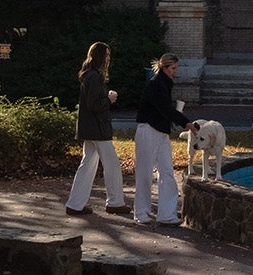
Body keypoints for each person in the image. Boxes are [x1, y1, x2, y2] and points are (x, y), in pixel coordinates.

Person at [66, 42, 130, 217]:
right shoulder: (93, 77)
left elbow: (91, 103)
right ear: (101, 57)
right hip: (98, 128)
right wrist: (109, 99)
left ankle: (75, 204)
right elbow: (95, 105)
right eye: (107, 55)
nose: (109, 59)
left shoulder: (89, 75)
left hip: (91, 128)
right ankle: (115, 202)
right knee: (112, 165)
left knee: (87, 165)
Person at [130, 52, 193, 226]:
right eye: (173, 68)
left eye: (176, 68)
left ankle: (166, 213)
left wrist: (180, 120)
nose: (175, 72)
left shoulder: (163, 84)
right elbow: (165, 109)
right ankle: (141, 212)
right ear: (164, 67)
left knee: (166, 171)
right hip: (148, 130)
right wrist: (187, 123)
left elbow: (165, 110)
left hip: (160, 131)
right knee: (144, 172)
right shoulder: (156, 85)